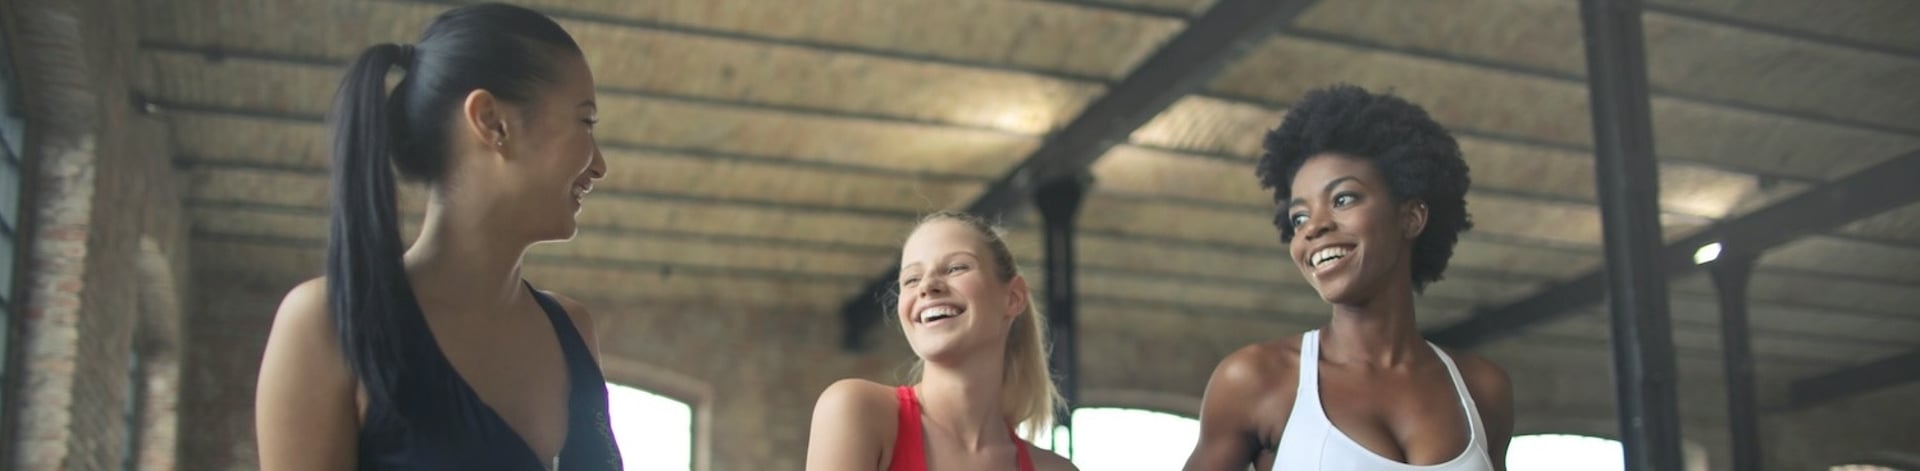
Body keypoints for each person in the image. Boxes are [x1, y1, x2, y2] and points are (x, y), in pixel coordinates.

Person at [253, 3, 621, 470]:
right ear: (492, 121)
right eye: (585, 121)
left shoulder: (572, 330)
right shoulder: (327, 323)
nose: (599, 165)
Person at [1183, 85, 1514, 471]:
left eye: (1343, 199)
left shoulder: (1482, 389)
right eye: (1299, 217)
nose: (1313, 228)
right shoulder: (1258, 379)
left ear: (1411, 217)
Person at [806, 211, 1079, 471]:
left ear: (1013, 298)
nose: (927, 286)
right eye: (911, 279)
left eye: (956, 267)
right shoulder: (856, 410)